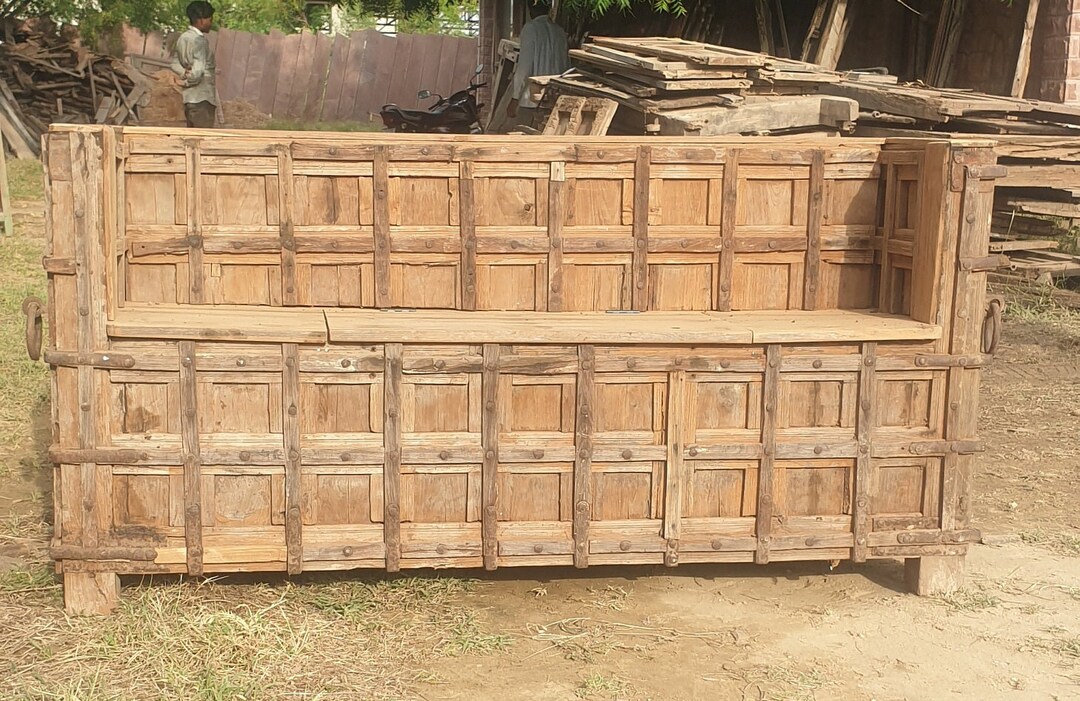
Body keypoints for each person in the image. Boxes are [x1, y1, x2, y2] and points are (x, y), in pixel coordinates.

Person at [507, 1, 569, 129]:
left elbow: (524, 67)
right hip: (555, 98)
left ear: (531, 11)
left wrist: (514, 98)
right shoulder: (559, 31)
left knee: (524, 138)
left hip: (532, 99)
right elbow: (566, 66)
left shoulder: (530, 29)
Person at [171, 1, 219, 128]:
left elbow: (174, 63)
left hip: (189, 99)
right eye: (210, 19)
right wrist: (186, 82)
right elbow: (198, 72)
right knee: (203, 140)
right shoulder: (200, 41)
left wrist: (183, 73)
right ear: (202, 20)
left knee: (191, 141)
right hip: (202, 99)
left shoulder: (183, 38)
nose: (211, 23)